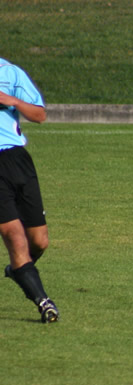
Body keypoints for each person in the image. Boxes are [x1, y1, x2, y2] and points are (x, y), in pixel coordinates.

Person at [0, 58, 59, 323]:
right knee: (14, 235)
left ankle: (18, 269)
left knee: (39, 241)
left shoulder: (10, 73)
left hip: (17, 161)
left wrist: (11, 101)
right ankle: (44, 302)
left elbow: (39, 115)